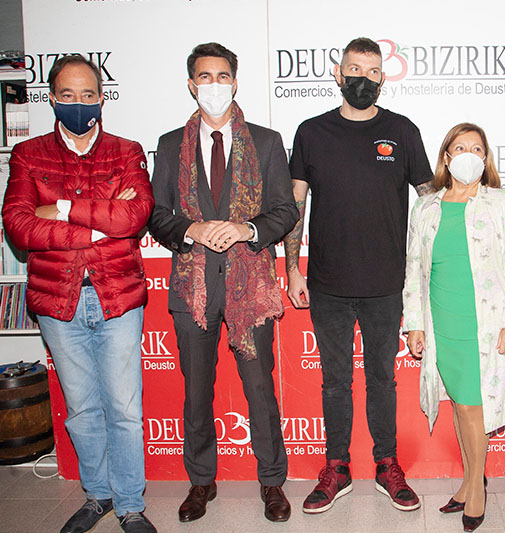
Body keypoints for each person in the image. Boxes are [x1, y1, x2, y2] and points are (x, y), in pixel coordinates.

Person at [2, 54, 156, 533]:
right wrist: (96, 225)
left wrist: (62, 208)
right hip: (58, 300)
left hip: (117, 296)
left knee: (125, 409)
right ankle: (98, 495)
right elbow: (19, 226)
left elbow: (134, 217)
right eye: (67, 95)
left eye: (88, 94)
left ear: (101, 98)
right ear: (51, 98)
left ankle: (130, 504)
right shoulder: (28, 155)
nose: (78, 103)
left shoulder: (126, 151)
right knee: (83, 409)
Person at [147, 43, 298, 525]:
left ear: (235, 82)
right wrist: (191, 229)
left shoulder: (267, 142)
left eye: (223, 76)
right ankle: (201, 481)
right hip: (192, 289)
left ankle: (272, 481)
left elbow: (285, 211)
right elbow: (156, 215)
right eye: (205, 77)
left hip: (249, 287)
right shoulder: (170, 144)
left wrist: (245, 229)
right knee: (197, 392)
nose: (214, 85)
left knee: (260, 390)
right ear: (192, 85)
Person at [284, 36, 434, 514]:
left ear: (382, 78)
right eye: (354, 69)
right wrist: (292, 268)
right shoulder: (311, 132)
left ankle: (387, 464)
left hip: (387, 285)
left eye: (372, 72)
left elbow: (430, 200)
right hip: (327, 283)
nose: (362, 79)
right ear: (338, 73)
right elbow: (295, 204)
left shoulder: (402, 131)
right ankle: (337, 468)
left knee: (382, 380)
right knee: (334, 382)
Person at [404, 123, 505, 532]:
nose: (468, 155)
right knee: (461, 405)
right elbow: (414, 269)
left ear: (486, 157)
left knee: (473, 405)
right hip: (442, 321)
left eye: (476, 148)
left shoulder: (502, 203)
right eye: (459, 147)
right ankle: (468, 481)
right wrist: (414, 324)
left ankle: (476, 489)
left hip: (486, 322)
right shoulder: (426, 207)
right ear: (446, 157)